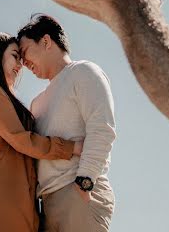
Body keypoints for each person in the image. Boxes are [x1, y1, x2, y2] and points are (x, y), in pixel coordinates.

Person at [0, 32, 84, 232]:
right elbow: (22, 140)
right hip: (1, 198)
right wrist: (72, 147)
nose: (20, 65)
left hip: (20, 199)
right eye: (14, 56)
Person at [17, 14, 116, 232]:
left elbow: (102, 129)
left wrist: (85, 182)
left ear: (45, 41)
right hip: (45, 206)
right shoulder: (37, 103)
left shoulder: (83, 71)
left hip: (77, 194)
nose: (23, 64)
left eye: (24, 53)